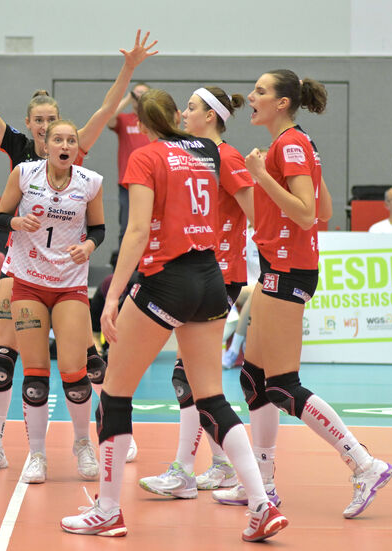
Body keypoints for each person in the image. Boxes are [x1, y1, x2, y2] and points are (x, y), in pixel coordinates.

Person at [60, 88, 286, 542]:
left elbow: (138, 229)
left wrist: (113, 296)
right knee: (212, 398)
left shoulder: (145, 157)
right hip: (211, 276)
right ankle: (261, 503)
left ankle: (107, 510)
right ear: (175, 119)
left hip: (167, 277)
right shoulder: (206, 149)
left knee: (115, 394)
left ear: (142, 124)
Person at [0, 22, 156, 472]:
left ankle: (113, 432)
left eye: (51, 121)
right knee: (7, 357)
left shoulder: (74, 153)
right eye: (38, 121)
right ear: (28, 124)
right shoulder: (20, 153)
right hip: (18, 267)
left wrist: (127, 69)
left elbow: (105, 109)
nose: (44, 128)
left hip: (67, 272)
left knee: (87, 362)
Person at [212, 70, 392, 519]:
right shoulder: (299, 144)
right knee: (253, 380)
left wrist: (261, 176)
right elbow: (327, 208)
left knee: (282, 385)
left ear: (281, 103)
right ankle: (262, 485)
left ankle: (363, 463)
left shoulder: (288, 146)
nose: (251, 97)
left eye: (260, 91)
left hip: (289, 270)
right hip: (282, 266)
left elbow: (309, 214)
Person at [138, 86, 256, 499]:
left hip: (219, 275)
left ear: (210, 116)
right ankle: (221, 466)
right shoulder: (196, 154)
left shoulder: (225, 155)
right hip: (203, 273)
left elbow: (255, 209)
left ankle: (186, 471)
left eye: (190, 108)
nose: (183, 114)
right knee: (190, 378)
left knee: (187, 376)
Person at [0, 119, 108, 484]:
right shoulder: (25, 174)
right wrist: (17, 223)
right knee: (35, 376)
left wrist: (88, 246)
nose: (64, 144)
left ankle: (82, 443)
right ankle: (37, 454)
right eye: (57, 139)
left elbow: (100, 229)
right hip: (27, 283)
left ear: (77, 148)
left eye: (70, 140)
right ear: (45, 145)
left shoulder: (90, 182)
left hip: (69, 284)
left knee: (76, 373)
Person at [107, 82, 152, 243]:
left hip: (151, 182)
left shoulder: (152, 121)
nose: (138, 97)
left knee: (151, 226)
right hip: (128, 182)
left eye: (143, 94)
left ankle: (147, 266)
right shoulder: (124, 119)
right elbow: (109, 119)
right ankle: (125, 267)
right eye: (136, 93)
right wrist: (128, 98)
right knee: (126, 226)